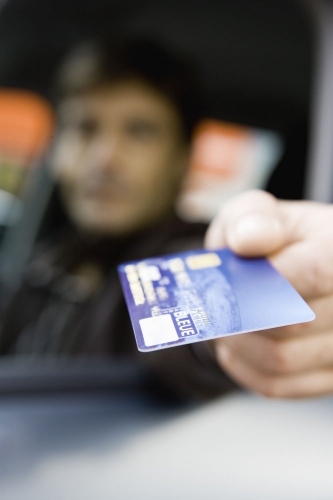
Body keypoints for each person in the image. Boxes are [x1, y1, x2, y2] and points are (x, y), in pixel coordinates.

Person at [0, 35, 237, 401]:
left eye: (140, 131)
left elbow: (210, 330)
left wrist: (232, 329)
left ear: (181, 158)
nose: (106, 158)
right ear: (57, 151)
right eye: (85, 128)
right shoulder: (45, 268)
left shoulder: (192, 258)